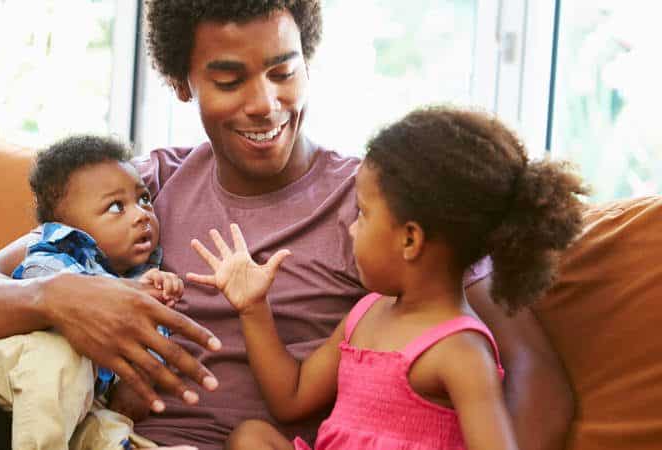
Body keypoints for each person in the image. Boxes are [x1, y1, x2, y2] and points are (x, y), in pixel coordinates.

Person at [0, 2, 573, 450]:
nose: (265, 103)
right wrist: (59, 299)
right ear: (183, 83)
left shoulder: (383, 208)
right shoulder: (144, 185)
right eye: (230, 80)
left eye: (284, 72)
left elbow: (534, 371)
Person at [186, 107, 587, 450]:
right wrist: (254, 307)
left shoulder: (461, 350)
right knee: (251, 437)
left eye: (363, 213)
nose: (351, 228)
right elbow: (289, 398)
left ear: (410, 239)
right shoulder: (367, 314)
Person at [0, 135, 182, 450]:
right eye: (117, 207)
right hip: (13, 376)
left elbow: (131, 391)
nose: (141, 214)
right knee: (61, 355)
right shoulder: (55, 254)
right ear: (68, 226)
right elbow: (69, 295)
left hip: (73, 407)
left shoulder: (143, 275)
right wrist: (126, 293)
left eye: (144, 199)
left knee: (108, 428)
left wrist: (157, 311)